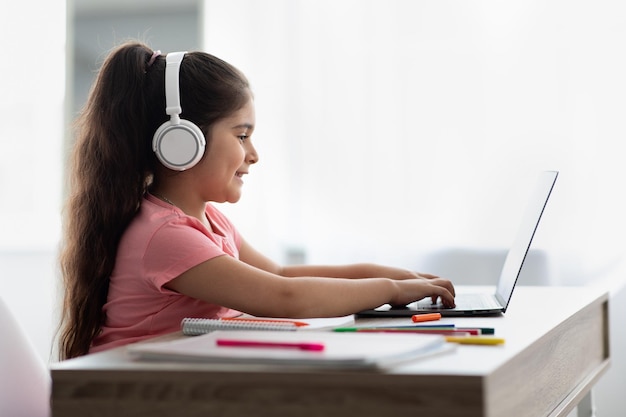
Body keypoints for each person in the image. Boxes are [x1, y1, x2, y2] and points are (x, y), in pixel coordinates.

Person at [58, 41, 455, 360]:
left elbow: (281, 276)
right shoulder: (164, 235)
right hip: (124, 395)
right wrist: (388, 290)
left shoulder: (207, 220)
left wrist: (396, 277)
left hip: (173, 384)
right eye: (242, 135)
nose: (254, 154)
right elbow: (282, 299)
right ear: (181, 141)